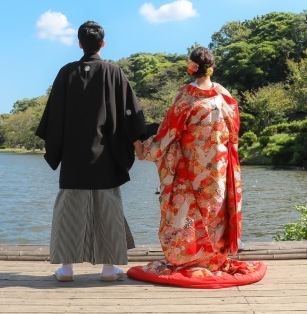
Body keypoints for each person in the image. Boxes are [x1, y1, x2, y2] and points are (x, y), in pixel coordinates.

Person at [133, 46, 258, 280]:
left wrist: (145, 150)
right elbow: (234, 134)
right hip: (219, 166)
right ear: (212, 67)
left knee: (187, 210)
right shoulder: (225, 99)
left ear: (191, 68)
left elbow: (169, 132)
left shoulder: (186, 97)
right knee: (216, 209)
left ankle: (191, 258)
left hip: (191, 167)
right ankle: (215, 258)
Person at [35, 21, 147, 282]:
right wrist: (138, 143)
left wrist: (57, 149)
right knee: (108, 213)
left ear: (79, 43)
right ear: (103, 44)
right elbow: (130, 113)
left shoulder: (66, 73)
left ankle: (66, 269)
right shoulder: (114, 72)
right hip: (106, 158)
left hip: (74, 159)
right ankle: (108, 269)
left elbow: (53, 117)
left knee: (70, 213)